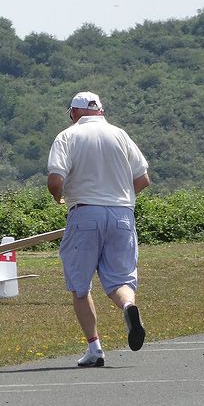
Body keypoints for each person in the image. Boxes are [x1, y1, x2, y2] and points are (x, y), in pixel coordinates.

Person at [47, 91, 151, 367]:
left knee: (80, 286)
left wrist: (58, 198)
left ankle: (95, 347)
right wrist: (121, 200)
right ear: (100, 111)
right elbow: (143, 179)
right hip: (122, 214)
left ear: (74, 113)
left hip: (85, 213)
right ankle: (129, 308)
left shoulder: (67, 136)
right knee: (121, 280)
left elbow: (55, 179)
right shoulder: (120, 135)